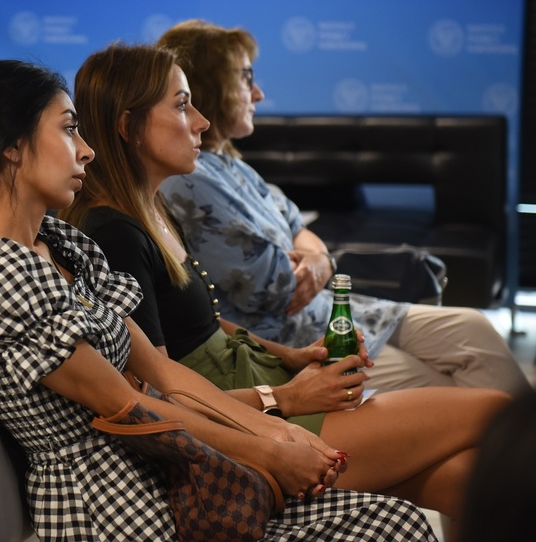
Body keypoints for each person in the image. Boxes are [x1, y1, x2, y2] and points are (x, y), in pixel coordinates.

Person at [0, 59, 438, 540]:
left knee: (396, 520)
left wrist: (278, 430)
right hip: (113, 504)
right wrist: (267, 446)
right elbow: (126, 406)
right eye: (68, 130)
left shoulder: (60, 242)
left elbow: (165, 377)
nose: (87, 151)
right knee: (388, 526)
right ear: (10, 147)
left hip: (163, 467)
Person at [61, 42, 510, 534]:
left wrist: (293, 357)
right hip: (235, 425)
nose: (202, 122)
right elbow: (160, 395)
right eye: (182, 104)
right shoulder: (112, 233)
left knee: (467, 477)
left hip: (257, 387)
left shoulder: (150, 209)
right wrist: (283, 398)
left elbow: (204, 324)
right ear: (129, 127)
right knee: (497, 411)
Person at [154, 19, 530, 396]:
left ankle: (534, 449)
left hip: (328, 312)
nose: (259, 94)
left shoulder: (232, 164)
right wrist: (310, 257)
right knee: (449, 382)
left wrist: (319, 261)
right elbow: (274, 288)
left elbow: (298, 225)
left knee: (474, 330)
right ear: (207, 87)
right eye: (245, 78)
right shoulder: (190, 178)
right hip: (294, 339)